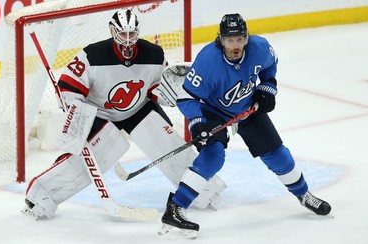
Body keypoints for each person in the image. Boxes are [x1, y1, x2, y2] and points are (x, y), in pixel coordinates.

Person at [22, 9, 226, 220]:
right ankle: (40, 195)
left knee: (168, 144)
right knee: (96, 155)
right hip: (99, 113)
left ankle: (204, 191)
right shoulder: (92, 55)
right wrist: (76, 109)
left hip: (138, 109)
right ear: (113, 31)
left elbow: (158, 90)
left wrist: (171, 93)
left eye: (131, 34)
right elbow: (68, 86)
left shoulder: (154, 54)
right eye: (123, 34)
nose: (128, 40)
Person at [159, 13, 332, 238]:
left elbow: (271, 66)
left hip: (247, 107)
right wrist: (197, 123)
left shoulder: (259, 47)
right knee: (213, 156)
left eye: (240, 39)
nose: (235, 45)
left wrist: (267, 87)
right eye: (230, 40)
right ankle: (176, 207)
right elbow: (186, 98)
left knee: (278, 154)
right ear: (220, 39)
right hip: (213, 110)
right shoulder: (207, 62)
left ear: (246, 37)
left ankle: (304, 194)